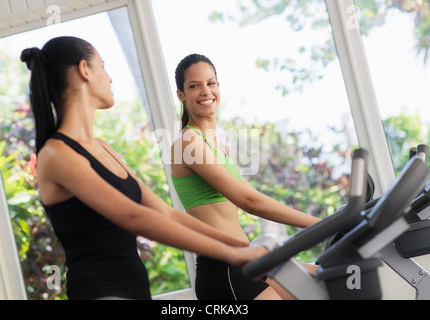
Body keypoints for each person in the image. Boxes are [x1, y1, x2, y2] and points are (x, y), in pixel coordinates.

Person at [20, 36, 268, 300]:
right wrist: (232, 254)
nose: (110, 78)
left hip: (134, 290)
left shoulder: (103, 148)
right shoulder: (57, 154)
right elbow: (135, 217)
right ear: (84, 70)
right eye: (103, 67)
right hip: (100, 293)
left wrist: (240, 246)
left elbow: (166, 213)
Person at [171, 53, 322, 300]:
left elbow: (252, 195)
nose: (206, 91)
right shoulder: (188, 143)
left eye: (211, 83)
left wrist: (326, 224)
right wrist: (320, 225)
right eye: (194, 86)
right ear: (181, 95)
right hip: (225, 272)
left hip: (245, 258)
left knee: (330, 278)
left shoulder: (210, 143)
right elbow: (248, 201)